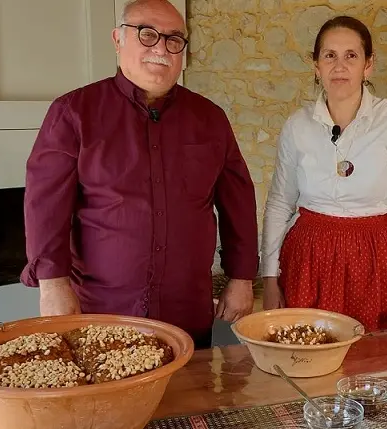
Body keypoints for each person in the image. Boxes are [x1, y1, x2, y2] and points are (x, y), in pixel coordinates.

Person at [21, 0, 259, 349]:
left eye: (174, 39)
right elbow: (45, 206)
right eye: (147, 34)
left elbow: (238, 202)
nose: (161, 49)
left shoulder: (210, 119)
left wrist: (241, 277)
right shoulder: (73, 113)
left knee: (192, 385)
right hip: (103, 309)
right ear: (118, 39)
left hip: (186, 309)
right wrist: (52, 284)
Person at [259, 15, 387, 332]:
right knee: (308, 349)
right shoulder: (297, 126)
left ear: (368, 65)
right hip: (309, 259)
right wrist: (269, 276)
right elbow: (280, 203)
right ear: (316, 65)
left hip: (375, 259)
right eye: (330, 55)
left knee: (376, 355)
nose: (340, 66)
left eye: (351, 55)